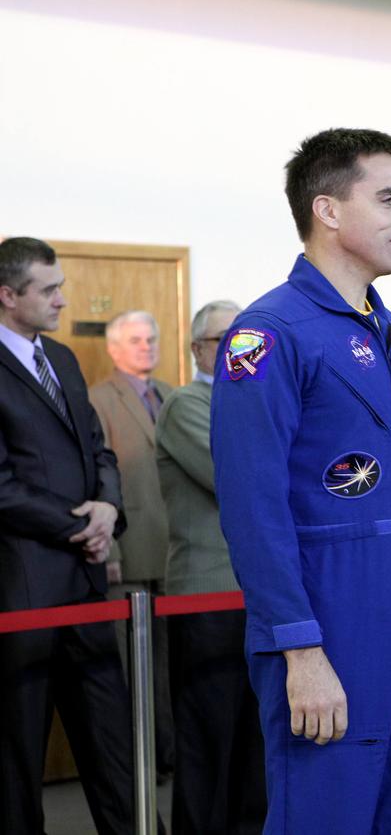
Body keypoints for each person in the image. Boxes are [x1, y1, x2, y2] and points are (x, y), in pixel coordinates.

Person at [210, 128, 391, 833]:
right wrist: (301, 650)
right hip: (329, 633)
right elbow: (255, 511)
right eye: (388, 198)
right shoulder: (269, 335)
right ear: (327, 210)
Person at [0, 236, 138, 834]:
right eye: (49, 289)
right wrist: (81, 525)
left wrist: (108, 506)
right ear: (8, 296)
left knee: (114, 744)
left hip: (85, 588)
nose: (63, 299)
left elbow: (97, 448)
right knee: (16, 756)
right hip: (21, 589)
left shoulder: (62, 359)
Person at [157, 299, 266, 833]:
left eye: (245, 339)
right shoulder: (186, 403)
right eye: (223, 339)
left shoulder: (255, 403)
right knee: (208, 742)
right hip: (207, 597)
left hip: (259, 595)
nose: (235, 349)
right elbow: (236, 477)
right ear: (197, 348)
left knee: (255, 744)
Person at [89, 309, 176, 772]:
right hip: (131, 552)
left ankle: (168, 755)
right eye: (137, 339)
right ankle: (138, 764)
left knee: (168, 670)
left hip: (175, 554)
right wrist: (112, 550)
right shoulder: (97, 399)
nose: (147, 346)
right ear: (114, 347)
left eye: (153, 337)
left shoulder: (171, 395)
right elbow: (95, 478)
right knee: (132, 671)